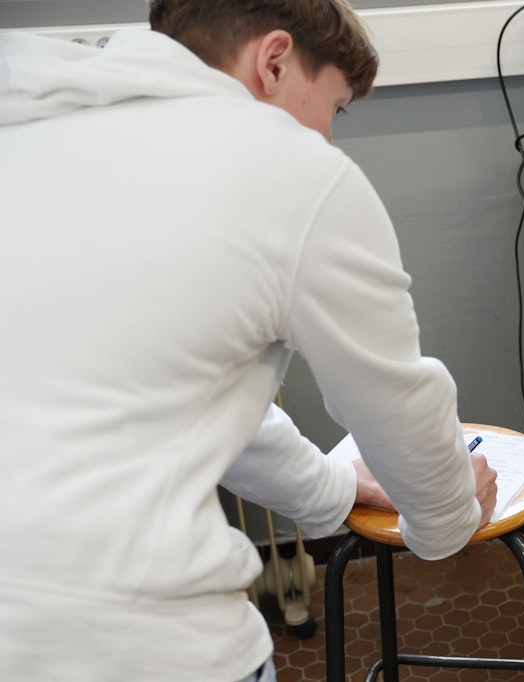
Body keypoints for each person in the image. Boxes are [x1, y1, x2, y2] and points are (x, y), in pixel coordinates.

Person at [0, 1, 498, 680]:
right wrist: (448, 518)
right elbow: (395, 401)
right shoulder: (293, 172)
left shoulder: (32, 130)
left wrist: (332, 485)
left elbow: (177, 392)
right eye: (336, 107)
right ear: (273, 62)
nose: (328, 138)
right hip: (134, 641)